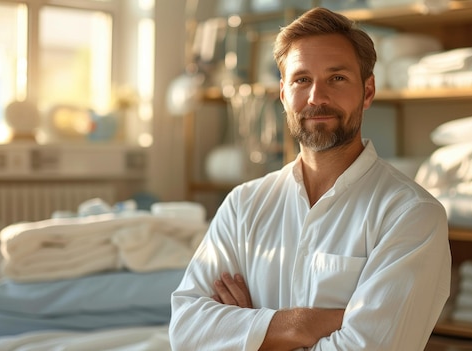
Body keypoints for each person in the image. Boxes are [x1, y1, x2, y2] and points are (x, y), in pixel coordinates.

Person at [169, 7, 451, 351]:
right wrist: (303, 324)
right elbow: (186, 330)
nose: (317, 97)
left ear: (368, 91)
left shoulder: (411, 214)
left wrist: (252, 332)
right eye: (302, 79)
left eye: (337, 78)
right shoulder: (243, 204)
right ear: (284, 94)